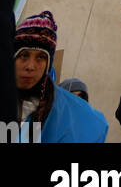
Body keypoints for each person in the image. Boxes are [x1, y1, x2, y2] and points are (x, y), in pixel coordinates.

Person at [12, 10, 108, 142]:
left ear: (48, 63)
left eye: (40, 57)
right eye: (24, 55)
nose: (30, 66)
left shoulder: (65, 112)